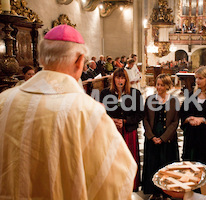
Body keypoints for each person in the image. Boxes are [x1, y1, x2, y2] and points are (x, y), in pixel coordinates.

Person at [0, 25, 137, 199]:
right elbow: (117, 181)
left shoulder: (4, 101)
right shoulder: (87, 111)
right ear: (80, 61)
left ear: (42, 58)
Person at [100, 68, 144, 191]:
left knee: (129, 159)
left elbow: (140, 114)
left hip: (129, 130)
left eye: (123, 78)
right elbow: (100, 112)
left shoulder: (135, 94)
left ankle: (131, 185)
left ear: (126, 79)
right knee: (112, 160)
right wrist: (112, 120)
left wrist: (124, 121)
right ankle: (112, 186)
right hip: (111, 131)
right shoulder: (105, 93)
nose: (120, 80)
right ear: (114, 79)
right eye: (118, 77)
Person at [142, 74, 180, 200]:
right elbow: (146, 119)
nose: (159, 87)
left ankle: (167, 193)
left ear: (167, 86)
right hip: (152, 137)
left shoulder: (173, 101)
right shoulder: (150, 99)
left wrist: (163, 138)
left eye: (162, 85)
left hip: (167, 139)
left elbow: (175, 122)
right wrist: (151, 137)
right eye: (157, 84)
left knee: (166, 165)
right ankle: (155, 192)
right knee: (153, 164)